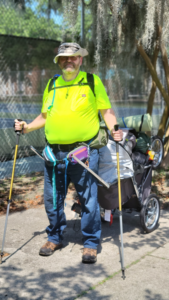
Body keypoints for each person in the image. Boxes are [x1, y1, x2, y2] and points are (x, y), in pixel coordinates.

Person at [15, 42, 123, 264]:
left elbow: (106, 112)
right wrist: (26, 127)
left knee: (89, 200)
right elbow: (45, 117)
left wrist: (115, 129)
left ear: (80, 59)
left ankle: (91, 243)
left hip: (83, 154)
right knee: (52, 199)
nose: (68, 61)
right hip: (54, 155)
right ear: (58, 62)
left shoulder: (92, 82)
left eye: (72, 57)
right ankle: (54, 237)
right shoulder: (52, 84)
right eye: (63, 58)